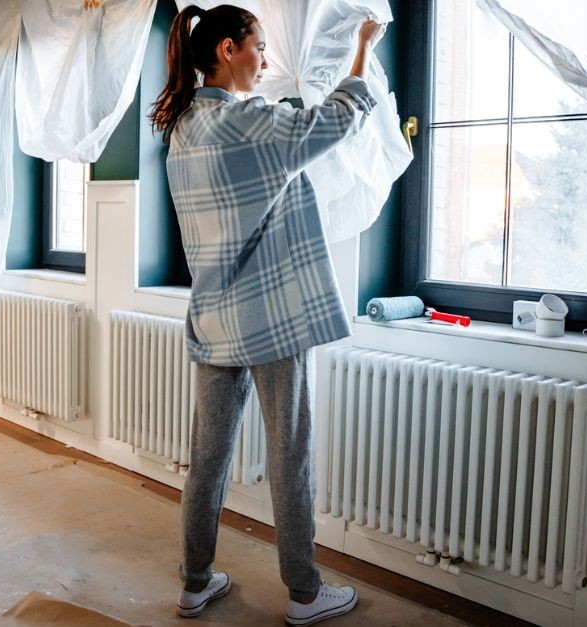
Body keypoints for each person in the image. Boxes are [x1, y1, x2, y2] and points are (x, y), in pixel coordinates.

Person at [149, 4, 384, 625]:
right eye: (257, 46)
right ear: (227, 50)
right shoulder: (245, 120)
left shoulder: (182, 128)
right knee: (290, 453)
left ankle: (194, 583)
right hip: (269, 318)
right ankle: (305, 594)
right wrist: (362, 47)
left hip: (213, 317)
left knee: (208, 457)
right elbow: (335, 120)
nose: (266, 58)